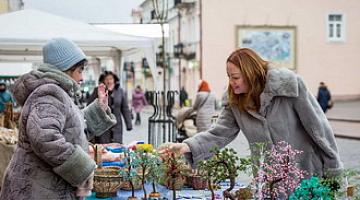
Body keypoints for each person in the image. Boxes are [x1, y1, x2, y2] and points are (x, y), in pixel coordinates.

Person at [162, 48, 342, 179]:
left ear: (250, 73)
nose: (231, 82)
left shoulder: (289, 87)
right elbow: (219, 133)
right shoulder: (235, 102)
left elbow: (318, 127)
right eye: (229, 76)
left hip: (306, 173)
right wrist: (186, 146)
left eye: (235, 77)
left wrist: (333, 166)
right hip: (268, 179)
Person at [0, 38, 117, 200]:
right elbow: (45, 138)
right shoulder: (49, 93)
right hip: (37, 191)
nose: (82, 77)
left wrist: (99, 110)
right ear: (66, 68)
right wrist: (83, 168)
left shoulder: (57, 93)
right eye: (80, 70)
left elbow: (69, 130)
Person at [88, 71, 132, 144]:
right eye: (106, 79)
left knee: (116, 146)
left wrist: (129, 124)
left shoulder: (120, 91)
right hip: (102, 126)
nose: (109, 81)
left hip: (116, 126)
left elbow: (125, 108)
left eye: (111, 79)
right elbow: (89, 106)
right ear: (103, 80)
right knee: (103, 147)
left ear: (114, 80)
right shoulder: (97, 90)